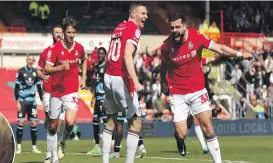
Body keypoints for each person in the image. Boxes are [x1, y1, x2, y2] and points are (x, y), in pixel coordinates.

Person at [159, 13, 252, 163]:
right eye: (171, 28)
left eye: (177, 27)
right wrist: (163, 83)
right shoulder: (166, 46)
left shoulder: (196, 37)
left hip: (197, 90)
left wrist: (240, 54)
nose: (174, 30)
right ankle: (179, 137)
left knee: (207, 127)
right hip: (177, 93)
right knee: (181, 133)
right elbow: (164, 66)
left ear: (184, 26)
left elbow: (220, 49)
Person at [102, 2, 148, 163]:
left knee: (111, 120)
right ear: (133, 14)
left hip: (107, 76)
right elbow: (127, 56)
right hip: (120, 78)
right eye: (143, 13)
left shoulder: (119, 27)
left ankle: (105, 161)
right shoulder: (133, 29)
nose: (146, 17)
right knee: (135, 123)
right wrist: (135, 81)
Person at [44, 15, 87, 163]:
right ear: (63, 32)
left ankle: (62, 144)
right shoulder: (55, 49)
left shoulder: (79, 48)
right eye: (69, 32)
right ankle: (50, 155)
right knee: (53, 125)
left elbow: (84, 60)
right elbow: (46, 69)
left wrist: (84, 77)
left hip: (72, 90)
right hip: (56, 91)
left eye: (74, 32)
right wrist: (60, 67)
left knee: (69, 122)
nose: (71, 35)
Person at [36, 25, 69, 160]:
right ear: (52, 35)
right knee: (52, 122)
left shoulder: (68, 51)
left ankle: (53, 151)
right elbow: (38, 70)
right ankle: (51, 155)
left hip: (63, 91)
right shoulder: (46, 52)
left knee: (59, 124)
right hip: (49, 90)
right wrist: (42, 76)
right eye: (57, 32)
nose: (59, 34)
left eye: (61, 32)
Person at [14, 54, 43, 154]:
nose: (30, 61)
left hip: (32, 102)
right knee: (20, 123)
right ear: (26, 60)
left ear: (34, 62)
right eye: (29, 59)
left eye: (32, 60)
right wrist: (17, 102)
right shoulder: (20, 71)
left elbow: (39, 88)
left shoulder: (36, 72)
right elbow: (16, 88)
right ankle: (18, 147)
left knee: (34, 123)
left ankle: (34, 147)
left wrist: (43, 101)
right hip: (22, 101)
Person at [86, 47, 107, 156]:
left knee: (105, 122)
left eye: (102, 54)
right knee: (95, 121)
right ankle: (97, 147)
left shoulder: (107, 66)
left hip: (104, 97)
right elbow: (94, 83)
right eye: (99, 53)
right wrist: (93, 97)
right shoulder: (97, 67)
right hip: (97, 97)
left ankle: (109, 146)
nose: (100, 55)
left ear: (105, 55)